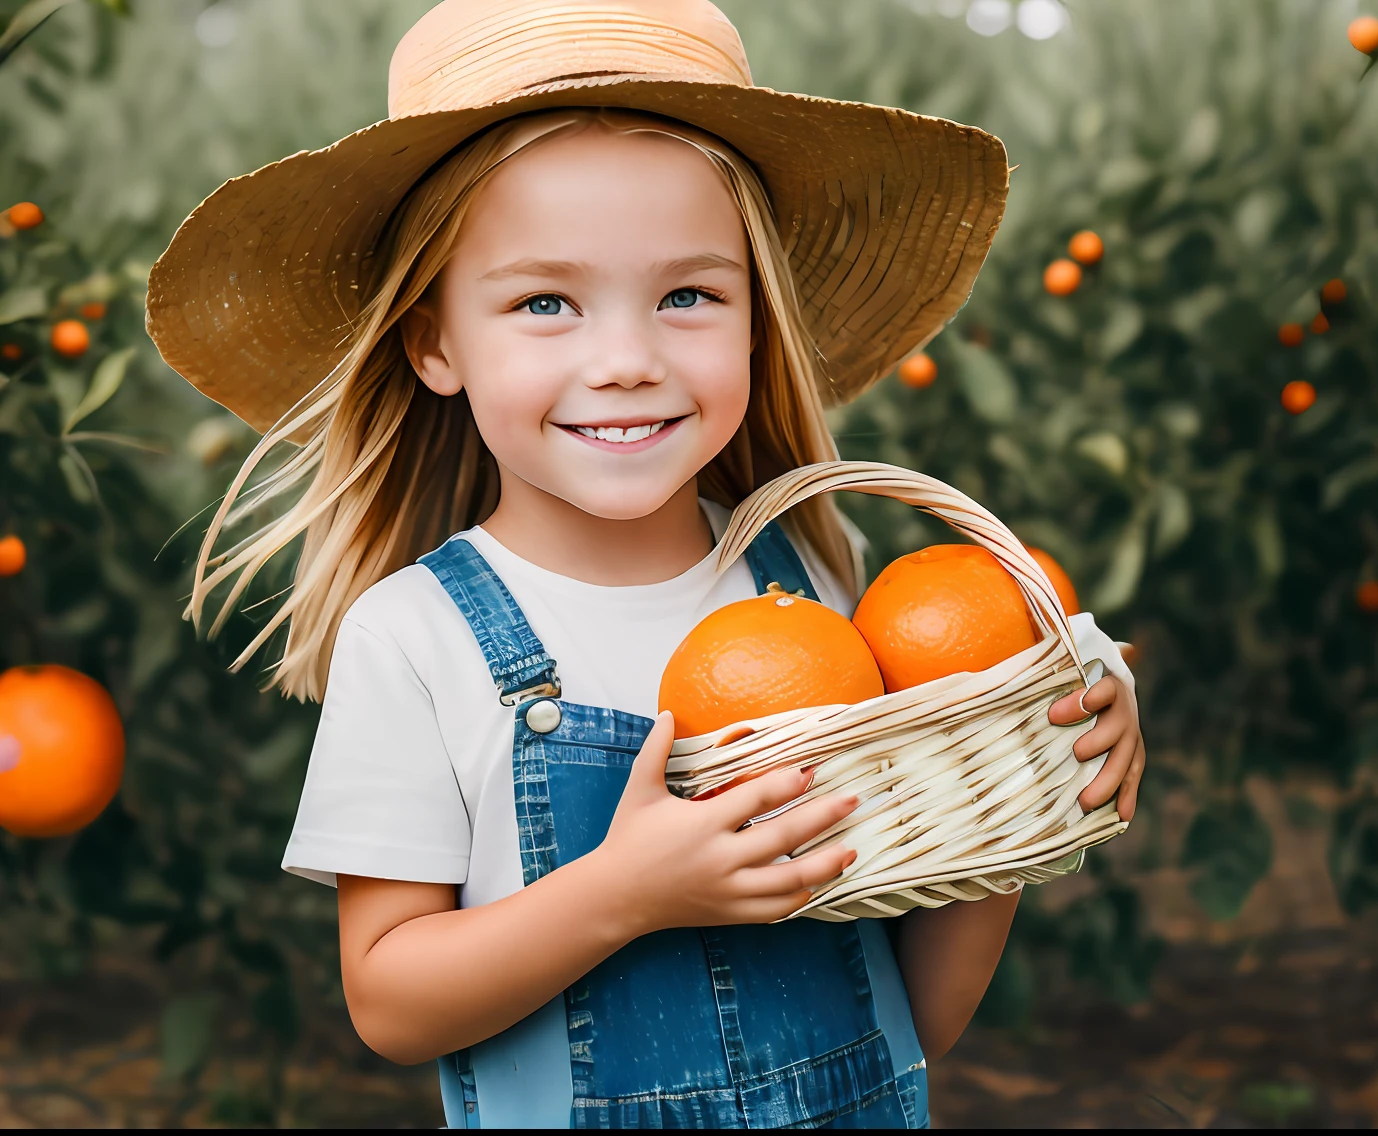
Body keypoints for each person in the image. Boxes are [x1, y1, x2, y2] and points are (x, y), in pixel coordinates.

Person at [145, 1, 1145, 1126]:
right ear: (434, 343)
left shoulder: (814, 572)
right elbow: (388, 996)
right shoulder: (416, 635)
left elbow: (908, 1015)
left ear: (755, 321)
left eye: (687, 295)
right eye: (544, 302)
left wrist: (1014, 796)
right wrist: (624, 895)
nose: (624, 360)